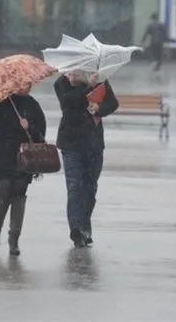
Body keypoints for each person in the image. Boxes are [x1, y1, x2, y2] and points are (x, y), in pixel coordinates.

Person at [54, 71, 119, 247]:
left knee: (90, 188)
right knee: (75, 186)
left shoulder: (99, 80)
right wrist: (87, 87)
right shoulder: (62, 83)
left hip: (93, 144)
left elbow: (112, 103)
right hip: (71, 144)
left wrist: (100, 109)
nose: (74, 73)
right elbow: (68, 102)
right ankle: (76, 229)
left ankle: (85, 227)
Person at [0, 91, 46, 256]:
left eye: (28, 84)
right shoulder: (4, 101)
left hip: (23, 156)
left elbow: (40, 134)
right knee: (4, 191)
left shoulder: (33, 105)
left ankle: (14, 239)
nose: (26, 86)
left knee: (19, 194)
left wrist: (29, 127)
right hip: (2, 154)